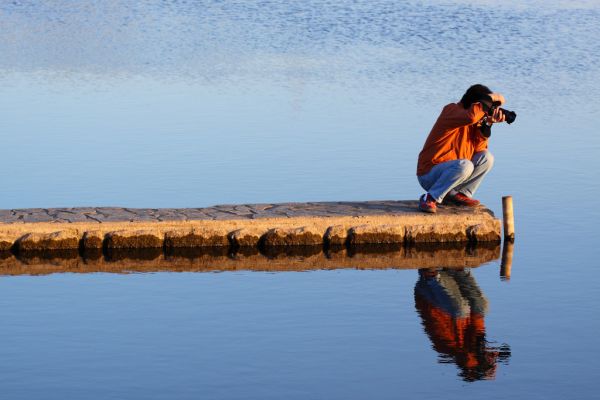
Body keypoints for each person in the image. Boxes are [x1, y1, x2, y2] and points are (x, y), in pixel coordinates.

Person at [416, 84, 507, 213]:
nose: (485, 111)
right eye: (485, 107)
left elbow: (480, 149)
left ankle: (460, 195)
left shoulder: (477, 122)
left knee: (487, 158)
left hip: (454, 174)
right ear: (475, 104)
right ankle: (429, 197)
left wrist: (488, 123)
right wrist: (495, 97)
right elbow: (470, 116)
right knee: (466, 165)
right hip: (429, 174)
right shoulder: (450, 111)